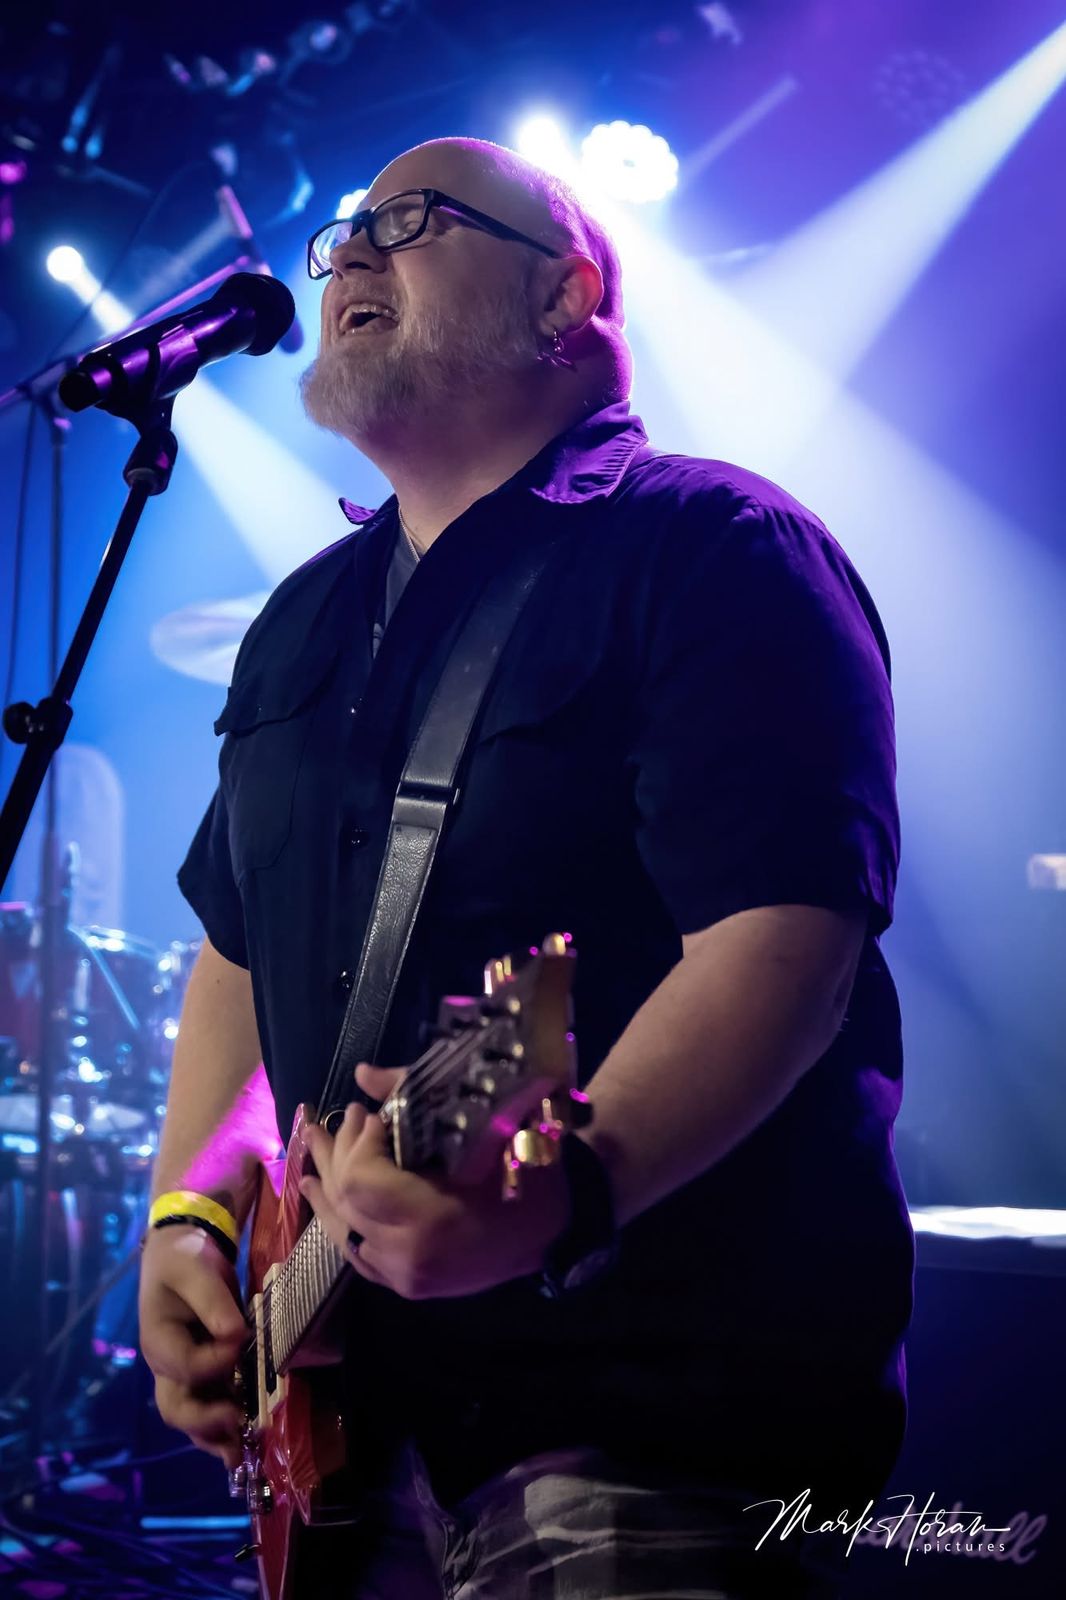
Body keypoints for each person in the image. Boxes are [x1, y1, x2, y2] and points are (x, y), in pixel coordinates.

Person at [138, 137, 914, 1598]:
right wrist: (194, 1209)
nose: (353, 253)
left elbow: (784, 944)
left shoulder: (714, 549)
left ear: (567, 294)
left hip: (647, 1415)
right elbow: (240, 951)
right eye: (345, 233)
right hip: (357, 1431)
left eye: (411, 220)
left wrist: (570, 1192)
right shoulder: (302, 622)